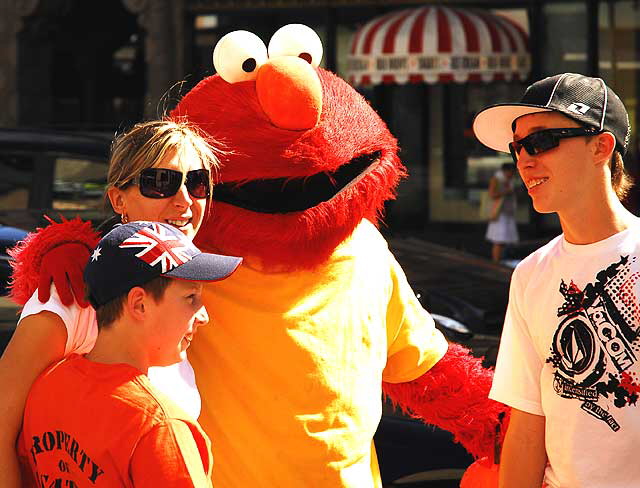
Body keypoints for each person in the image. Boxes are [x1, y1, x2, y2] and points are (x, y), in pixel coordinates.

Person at [0, 119, 220, 487]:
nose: (184, 199)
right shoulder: (70, 293)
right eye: (160, 182)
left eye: (197, 183)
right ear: (118, 198)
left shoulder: (197, 278)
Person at [473, 72, 637, 487]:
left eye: (542, 141)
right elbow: (527, 424)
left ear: (601, 146)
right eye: (517, 147)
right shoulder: (530, 275)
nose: (524, 160)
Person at [18, 221, 242, 487]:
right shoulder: (160, 427)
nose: (203, 316)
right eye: (191, 297)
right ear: (139, 304)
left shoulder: (47, 387)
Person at [486, 162, 519, 263]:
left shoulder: (510, 180)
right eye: (511, 172)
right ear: (505, 171)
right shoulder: (497, 179)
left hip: (508, 212)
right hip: (499, 213)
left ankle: (500, 260)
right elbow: (492, 194)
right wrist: (507, 192)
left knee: (505, 239)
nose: (512, 174)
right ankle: (496, 262)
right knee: (499, 240)